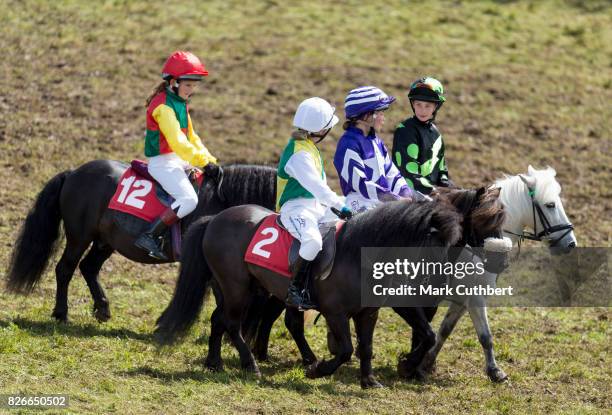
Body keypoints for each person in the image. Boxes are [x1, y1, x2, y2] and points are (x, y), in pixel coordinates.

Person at [135, 51, 218, 260]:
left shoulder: (180, 103)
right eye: (188, 84)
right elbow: (177, 141)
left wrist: (209, 161)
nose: (192, 89)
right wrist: (200, 161)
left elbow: (192, 137)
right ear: (173, 82)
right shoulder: (162, 106)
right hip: (162, 163)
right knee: (189, 199)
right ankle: (150, 235)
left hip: (177, 159)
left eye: (194, 84)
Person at [277, 97, 352, 310]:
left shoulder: (307, 146)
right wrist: (339, 206)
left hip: (314, 207)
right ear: (320, 129)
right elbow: (317, 187)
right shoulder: (298, 154)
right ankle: (295, 289)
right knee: (312, 242)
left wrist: (342, 204)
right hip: (295, 209)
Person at [333, 86, 415, 213]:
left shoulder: (377, 142)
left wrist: (407, 194)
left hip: (383, 203)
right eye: (380, 113)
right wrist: (394, 198)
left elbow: (392, 174)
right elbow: (361, 184)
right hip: (359, 203)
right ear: (366, 115)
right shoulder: (348, 143)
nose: (383, 118)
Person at [392, 77, 453, 195]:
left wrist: (447, 188)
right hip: (408, 194)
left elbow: (442, 169)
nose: (422, 110)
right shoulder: (405, 130)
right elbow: (408, 171)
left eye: (427, 106)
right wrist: (432, 192)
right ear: (413, 104)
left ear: (436, 107)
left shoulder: (436, 133)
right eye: (418, 104)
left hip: (431, 193)